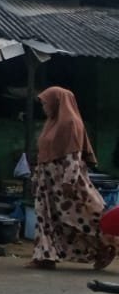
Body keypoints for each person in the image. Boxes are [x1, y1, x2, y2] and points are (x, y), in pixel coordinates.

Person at [31, 86, 116, 270]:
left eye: (46, 103)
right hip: (47, 183)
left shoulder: (70, 123)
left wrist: (69, 181)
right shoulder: (51, 123)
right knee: (44, 216)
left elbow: (73, 156)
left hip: (66, 183)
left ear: (57, 102)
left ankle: (106, 244)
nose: (44, 107)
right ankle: (45, 256)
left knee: (82, 218)